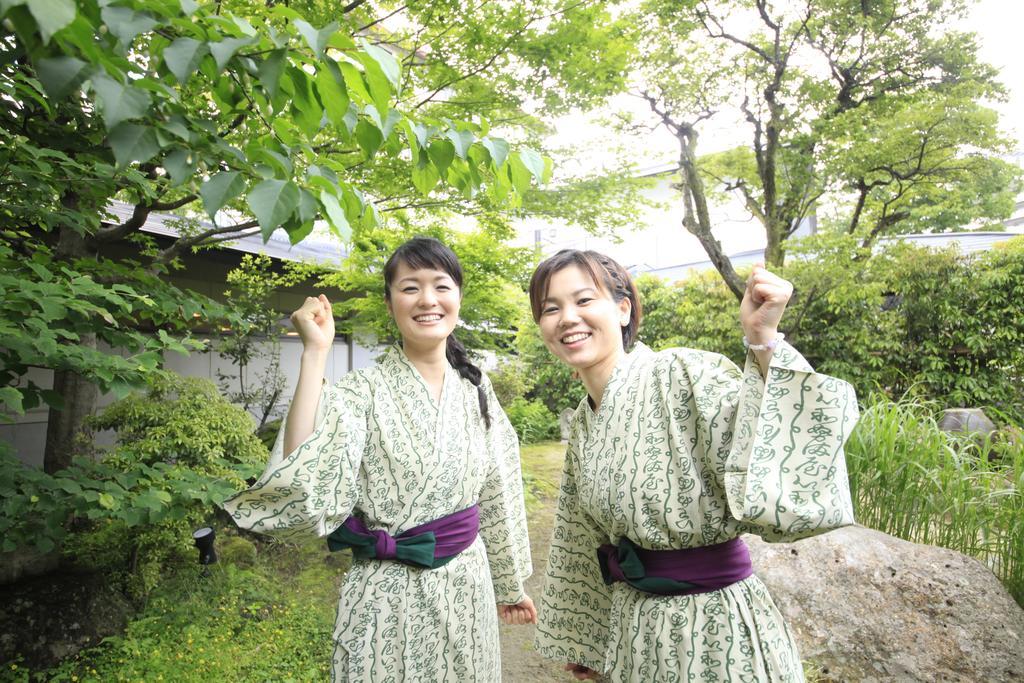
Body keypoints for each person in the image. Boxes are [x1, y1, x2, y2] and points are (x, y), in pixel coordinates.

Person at [528, 250, 858, 682]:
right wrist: (590, 639)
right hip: (637, 629)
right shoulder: (587, 418)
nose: (568, 318)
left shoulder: (679, 372)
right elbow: (581, 538)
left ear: (623, 309)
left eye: (584, 300)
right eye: (551, 309)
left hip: (714, 625)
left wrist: (762, 338)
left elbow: (755, 435)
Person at [222, 237, 535, 682]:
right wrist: (315, 352)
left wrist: (508, 583)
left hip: (466, 587)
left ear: (458, 298)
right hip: (385, 594)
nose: (427, 299)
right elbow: (303, 476)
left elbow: (498, 489)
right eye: (410, 288)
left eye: (441, 286)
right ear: (390, 305)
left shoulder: (476, 387)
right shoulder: (360, 391)